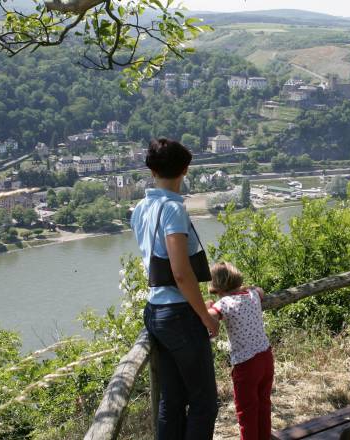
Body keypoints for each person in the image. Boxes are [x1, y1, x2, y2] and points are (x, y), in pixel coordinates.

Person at [131, 138, 220, 440]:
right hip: (180, 314)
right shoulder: (173, 209)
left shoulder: (141, 208)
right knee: (204, 402)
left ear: (152, 170)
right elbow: (181, 273)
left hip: (155, 311)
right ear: (184, 170)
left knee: (172, 398)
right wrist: (206, 317)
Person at [206, 262, 274, 440]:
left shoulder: (223, 304)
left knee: (247, 413)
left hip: (246, 364)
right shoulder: (252, 294)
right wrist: (250, 287)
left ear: (216, 286)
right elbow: (261, 290)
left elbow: (212, 317)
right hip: (266, 357)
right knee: (263, 405)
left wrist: (206, 308)